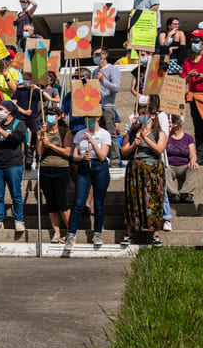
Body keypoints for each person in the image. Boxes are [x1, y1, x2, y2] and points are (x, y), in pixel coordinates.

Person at [121, 104, 168, 246]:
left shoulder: (160, 133)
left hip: (153, 170)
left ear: (152, 116)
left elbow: (159, 149)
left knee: (154, 201)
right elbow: (123, 152)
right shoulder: (132, 132)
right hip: (135, 169)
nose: (141, 116)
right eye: (139, 113)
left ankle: (155, 234)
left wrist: (145, 138)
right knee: (133, 201)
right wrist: (135, 144)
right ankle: (129, 233)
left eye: (144, 113)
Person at [63, 114, 111, 250]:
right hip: (84, 167)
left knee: (99, 202)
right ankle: (71, 234)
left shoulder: (104, 134)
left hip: (100, 168)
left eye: (90, 117)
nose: (87, 119)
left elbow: (102, 156)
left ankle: (97, 233)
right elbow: (75, 155)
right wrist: (82, 157)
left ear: (97, 117)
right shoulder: (79, 134)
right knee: (78, 201)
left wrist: (93, 142)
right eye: (86, 117)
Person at [0, 101, 28, 232]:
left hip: (13, 164)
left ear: (9, 111)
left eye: (1, 109)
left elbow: (15, 140)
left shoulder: (19, 124)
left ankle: (19, 220)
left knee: (16, 193)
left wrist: (0, 131)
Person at [36, 106, 72, 244]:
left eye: (53, 115)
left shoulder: (65, 132)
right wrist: (41, 138)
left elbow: (67, 152)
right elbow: (39, 152)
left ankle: (70, 231)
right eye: (48, 115)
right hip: (46, 169)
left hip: (61, 169)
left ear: (58, 117)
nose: (50, 117)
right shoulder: (41, 132)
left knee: (62, 202)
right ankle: (56, 233)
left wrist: (50, 145)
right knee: (51, 203)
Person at [90, 47, 122, 163]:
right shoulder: (95, 71)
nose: (95, 57)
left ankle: (114, 159)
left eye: (97, 54)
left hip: (108, 105)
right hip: (96, 105)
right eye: (93, 55)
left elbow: (116, 88)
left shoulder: (113, 69)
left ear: (105, 55)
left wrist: (104, 80)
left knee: (111, 132)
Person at [165, 115, 199, 204]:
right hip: (170, 165)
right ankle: (173, 194)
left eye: (173, 120)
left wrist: (193, 160)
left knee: (194, 167)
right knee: (165, 169)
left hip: (184, 165)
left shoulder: (188, 138)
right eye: (169, 120)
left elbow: (193, 154)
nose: (170, 122)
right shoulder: (166, 136)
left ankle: (186, 193)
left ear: (180, 122)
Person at [181, 33, 203, 159]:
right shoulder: (188, 60)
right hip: (194, 97)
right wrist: (189, 76)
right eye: (192, 41)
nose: (194, 43)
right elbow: (183, 80)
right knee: (198, 127)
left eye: (196, 40)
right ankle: (200, 154)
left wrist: (199, 75)